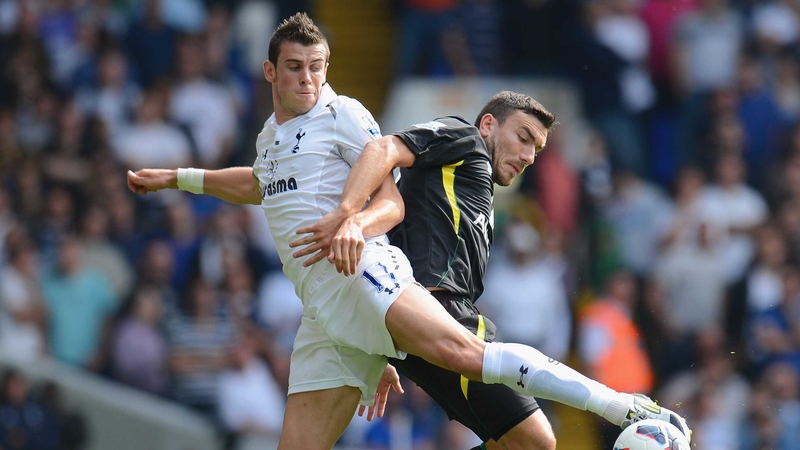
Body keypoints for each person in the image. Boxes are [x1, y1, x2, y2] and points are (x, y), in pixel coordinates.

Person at [127, 12, 690, 450]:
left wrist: (352, 222)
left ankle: (625, 409)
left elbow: (390, 196)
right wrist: (180, 178)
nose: (308, 78)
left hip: (364, 276)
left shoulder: (341, 112)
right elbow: (260, 183)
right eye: (296, 67)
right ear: (271, 71)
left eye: (317, 66)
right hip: (326, 312)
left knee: (504, 400)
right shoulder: (273, 139)